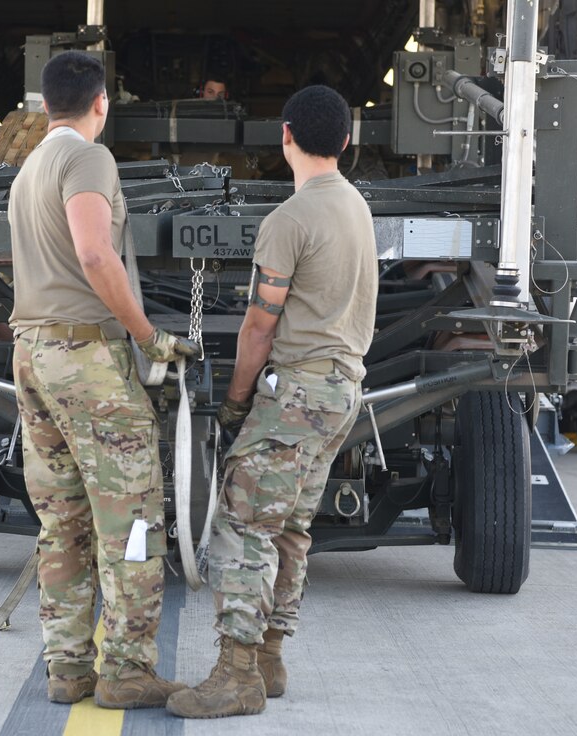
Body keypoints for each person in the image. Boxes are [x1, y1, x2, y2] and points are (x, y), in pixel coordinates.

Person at [166, 85, 378, 719]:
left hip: (298, 392)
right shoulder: (357, 207)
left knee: (242, 526)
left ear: (284, 135)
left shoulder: (288, 220)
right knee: (290, 527)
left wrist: (235, 403)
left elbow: (260, 325)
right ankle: (269, 659)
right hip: (343, 392)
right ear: (345, 141)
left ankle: (235, 675)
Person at [7, 51, 200, 709]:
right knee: (133, 515)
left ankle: (67, 670)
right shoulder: (89, 158)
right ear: (101, 104)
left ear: (42, 104)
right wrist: (148, 335)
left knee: (61, 521)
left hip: (32, 353)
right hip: (83, 357)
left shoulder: (29, 166)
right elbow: (93, 251)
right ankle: (126, 670)